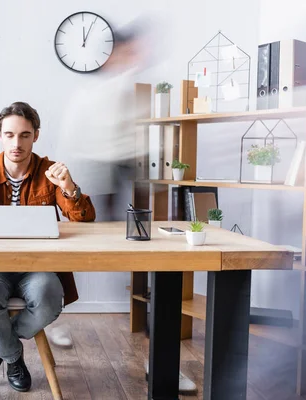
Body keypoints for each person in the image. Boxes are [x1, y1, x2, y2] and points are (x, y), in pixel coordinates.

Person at [57, 19, 197, 393]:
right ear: (117, 51)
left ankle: (162, 360)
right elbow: (79, 138)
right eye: (133, 50)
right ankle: (52, 314)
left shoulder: (141, 88)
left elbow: (151, 135)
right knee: (75, 244)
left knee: (153, 258)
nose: (139, 56)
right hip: (97, 173)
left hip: (132, 172)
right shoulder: (97, 92)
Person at [0, 101, 96, 392]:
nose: (17, 143)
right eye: (10, 135)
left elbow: (84, 219)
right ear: (0, 135)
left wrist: (69, 188)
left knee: (49, 297)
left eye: (25, 135)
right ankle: (12, 357)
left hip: (37, 267)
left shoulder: (49, 172)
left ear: (36, 135)